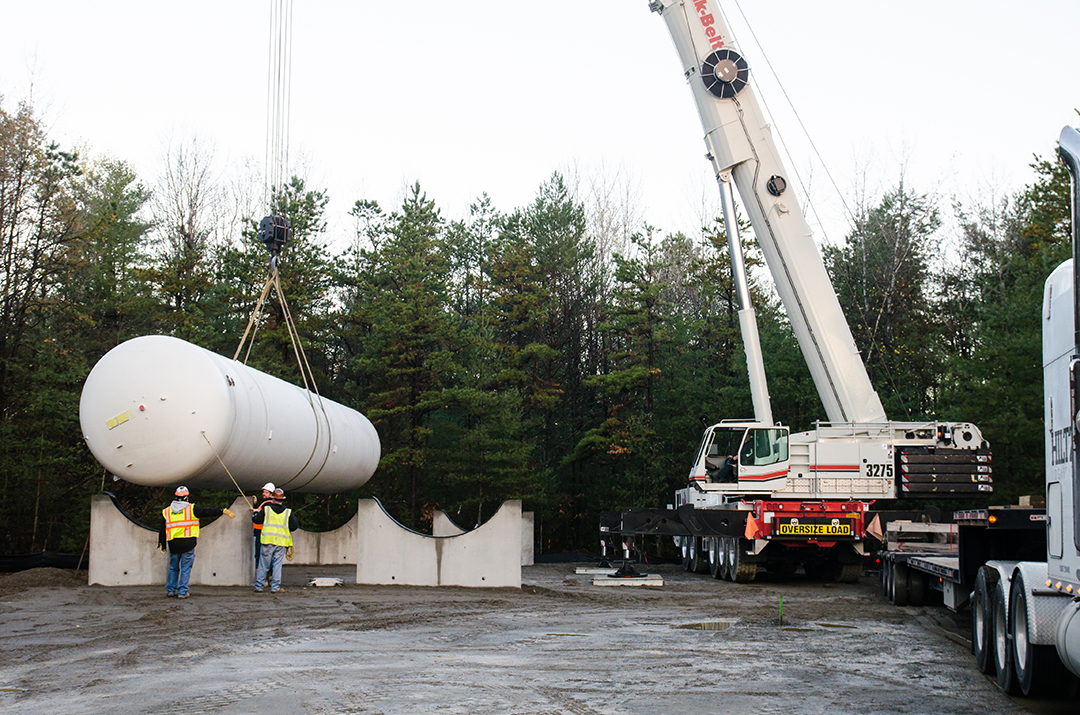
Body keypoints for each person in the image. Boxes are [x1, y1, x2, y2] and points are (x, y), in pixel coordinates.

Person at [158, 486, 231, 598]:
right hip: (188, 544)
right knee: (185, 568)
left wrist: (161, 543)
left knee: (173, 567)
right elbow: (206, 512)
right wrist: (221, 510)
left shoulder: (167, 511)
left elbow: (162, 529)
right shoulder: (192, 509)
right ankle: (182, 592)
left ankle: (171, 590)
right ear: (187, 498)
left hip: (173, 544)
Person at [252, 487, 297, 593]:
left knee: (263, 564)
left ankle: (259, 586)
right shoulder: (288, 512)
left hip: (267, 541)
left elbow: (257, 520)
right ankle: (275, 587)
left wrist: (255, 513)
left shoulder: (267, 509)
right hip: (281, 542)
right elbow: (294, 526)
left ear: (272, 499)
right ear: (282, 500)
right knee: (277, 565)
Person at [252, 482, 276, 574]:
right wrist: (256, 505)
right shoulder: (266, 503)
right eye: (263, 492)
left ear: (271, 494)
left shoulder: (269, 503)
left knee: (261, 555)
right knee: (264, 555)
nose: (263, 494)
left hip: (262, 532)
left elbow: (263, 514)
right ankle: (266, 576)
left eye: (266, 492)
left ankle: (263, 577)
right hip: (261, 532)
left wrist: (256, 511)